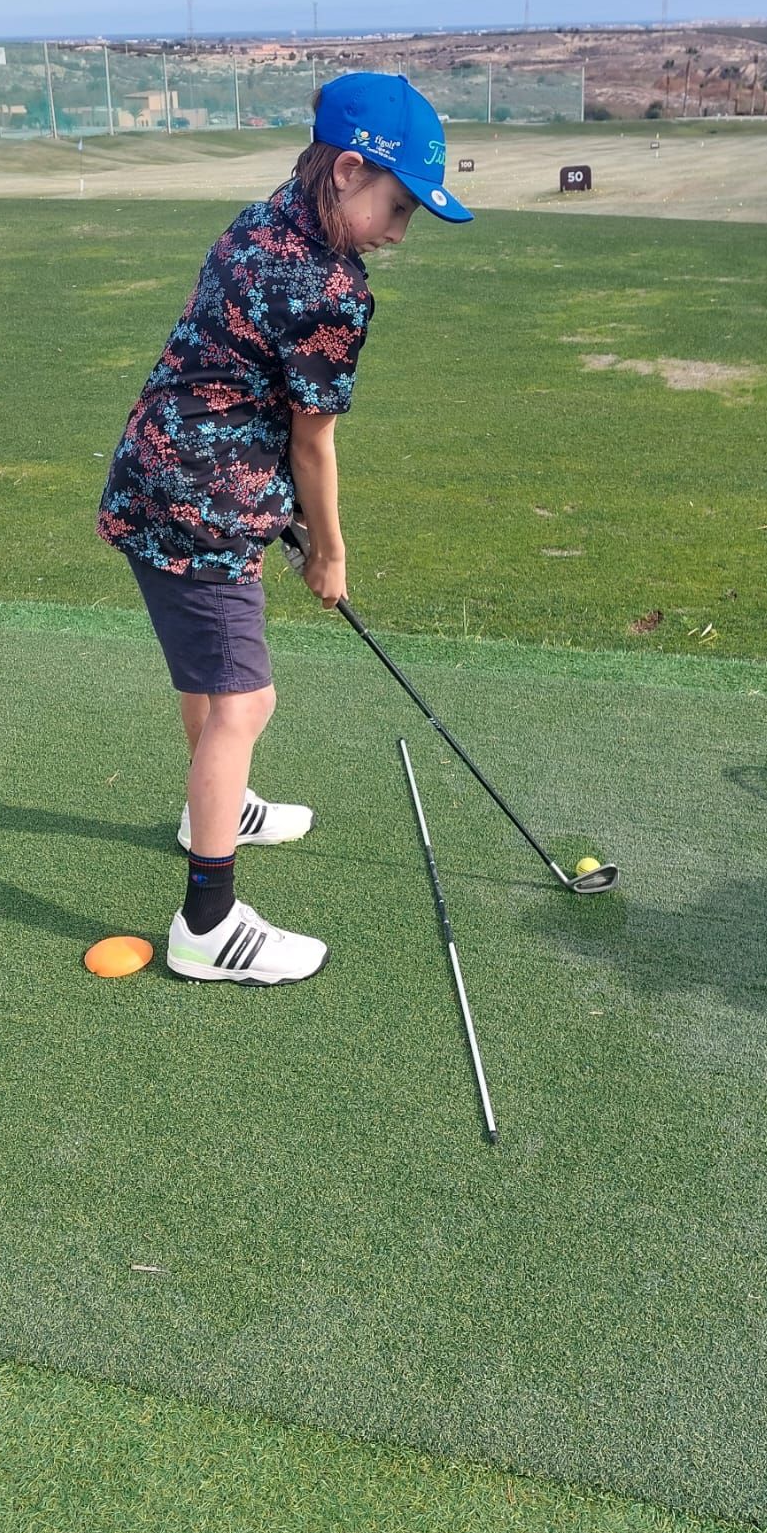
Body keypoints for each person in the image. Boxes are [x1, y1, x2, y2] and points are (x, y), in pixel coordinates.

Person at [97, 71, 472, 984]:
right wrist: (329, 552)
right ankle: (207, 924)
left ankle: (216, 810)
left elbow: (246, 380)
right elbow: (312, 443)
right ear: (347, 170)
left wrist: (279, 509)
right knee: (245, 702)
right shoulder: (333, 289)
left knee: (208, 677)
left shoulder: (264, 216)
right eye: (398, 206)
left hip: (152, 472)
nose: (398, 232)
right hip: (205, 505)